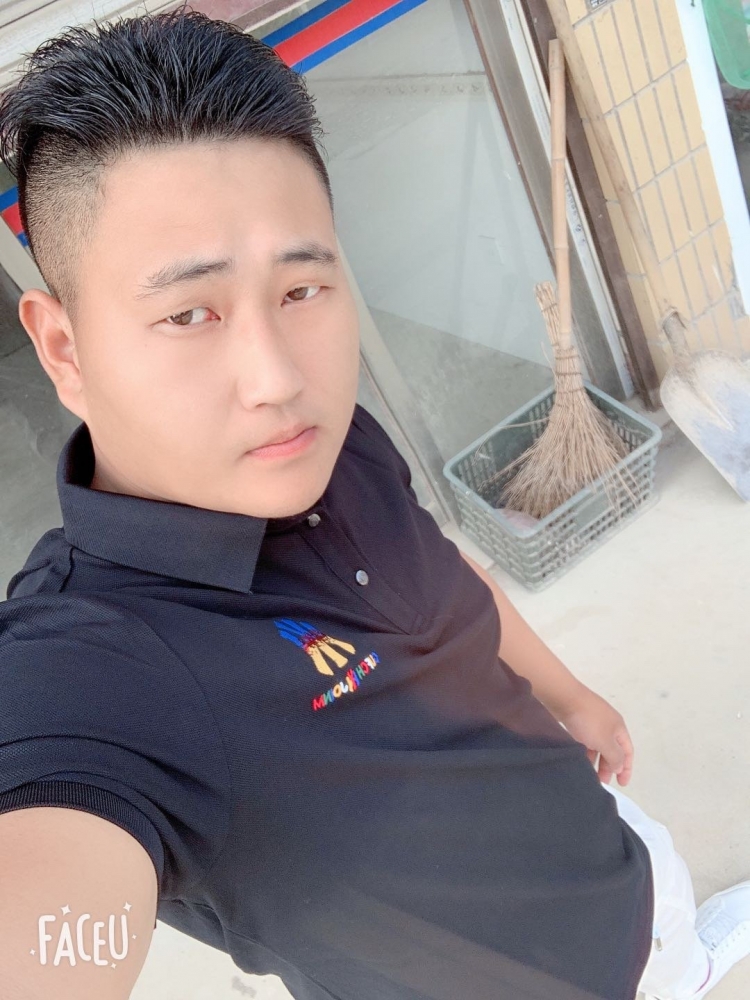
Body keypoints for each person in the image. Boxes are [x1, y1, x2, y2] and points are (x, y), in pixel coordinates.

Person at [0, 7, 747, 1000]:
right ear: (64, 349)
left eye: (300, 290)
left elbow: (437, 568)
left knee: (679, 945)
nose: (277, 377)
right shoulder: (93, 671)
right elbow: (47, 929)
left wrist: (565, 694)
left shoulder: (329, 442)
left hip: (620, 867)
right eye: (189, 313)